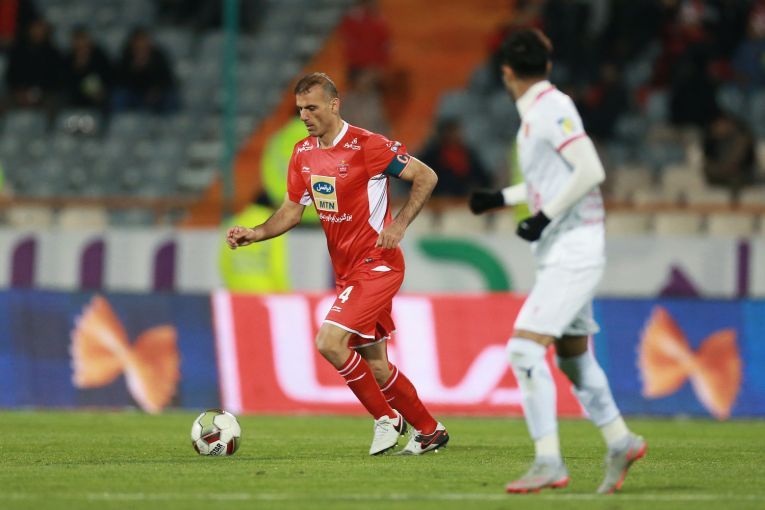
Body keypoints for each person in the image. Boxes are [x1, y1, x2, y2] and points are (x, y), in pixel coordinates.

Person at [226, 72, 449, 456]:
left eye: (312, 108)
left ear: (334, 104)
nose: (304, 116)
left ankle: (387, 419)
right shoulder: (302, 153)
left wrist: (398, 225)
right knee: (377, 367)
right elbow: (291, 211)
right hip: (348, 272)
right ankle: (430, 431)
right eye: (300, 109)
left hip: (377, 264)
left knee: (329, 342)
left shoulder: (367, 145)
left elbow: (426, 176)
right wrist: (256, 233)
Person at [468, 29, 645, 494]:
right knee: (573, 358)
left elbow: (590, 170)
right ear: (547, 64)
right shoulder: (539, 113)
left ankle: (548, 461)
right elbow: (553, 180)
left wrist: (544, 217)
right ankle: (621, 441)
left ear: (506, 72)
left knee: (524, 350)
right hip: (560, 250)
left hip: (574, 248)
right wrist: (501, 198)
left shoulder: (551, 108)